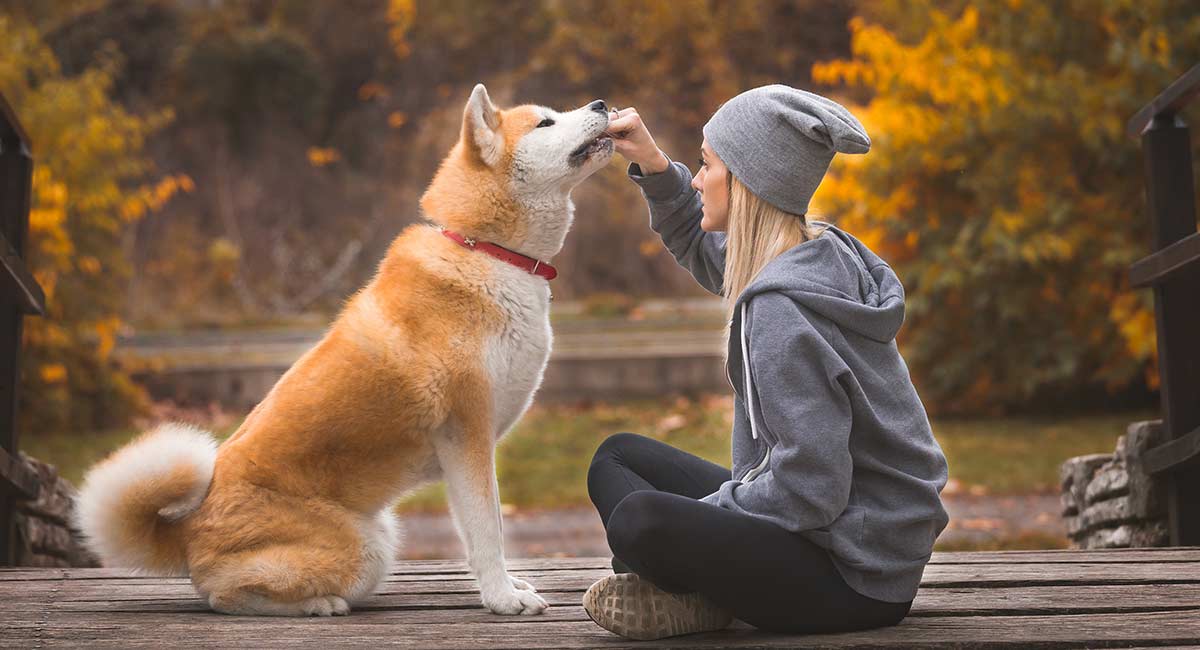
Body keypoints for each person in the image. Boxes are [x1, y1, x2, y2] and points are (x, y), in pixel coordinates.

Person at [582, 85, 951, 641]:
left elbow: (810, 490)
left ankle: (699, 592)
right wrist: (655, 166)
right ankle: (700, 588)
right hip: (840, 535)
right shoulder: (815, 250)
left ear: (748, 183)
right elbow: (704, 249)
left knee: (640, 522)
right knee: (616, 457)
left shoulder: (781, 312)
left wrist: (700, 525)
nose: (699, 178)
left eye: (707, 166)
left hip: (853, 576)